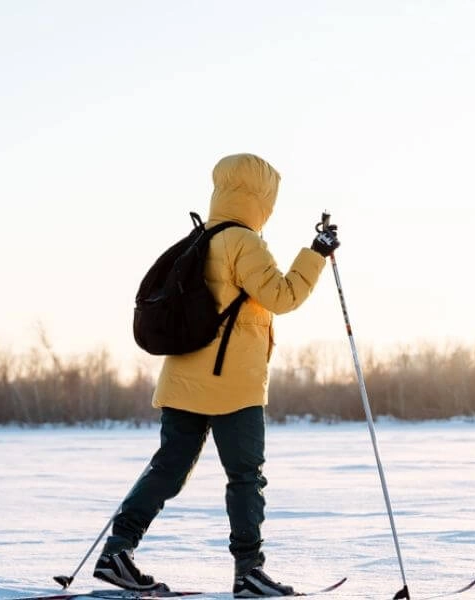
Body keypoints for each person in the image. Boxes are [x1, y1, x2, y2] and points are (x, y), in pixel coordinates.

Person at [93, 153, 341, 597]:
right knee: (246, 476)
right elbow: (281, 296)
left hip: (183, 376)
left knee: (168, 468)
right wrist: (317, 254)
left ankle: (117, 551)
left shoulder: (201, 238)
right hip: (231, 385)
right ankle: (249, 571)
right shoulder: (244, 242)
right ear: (261, 198)